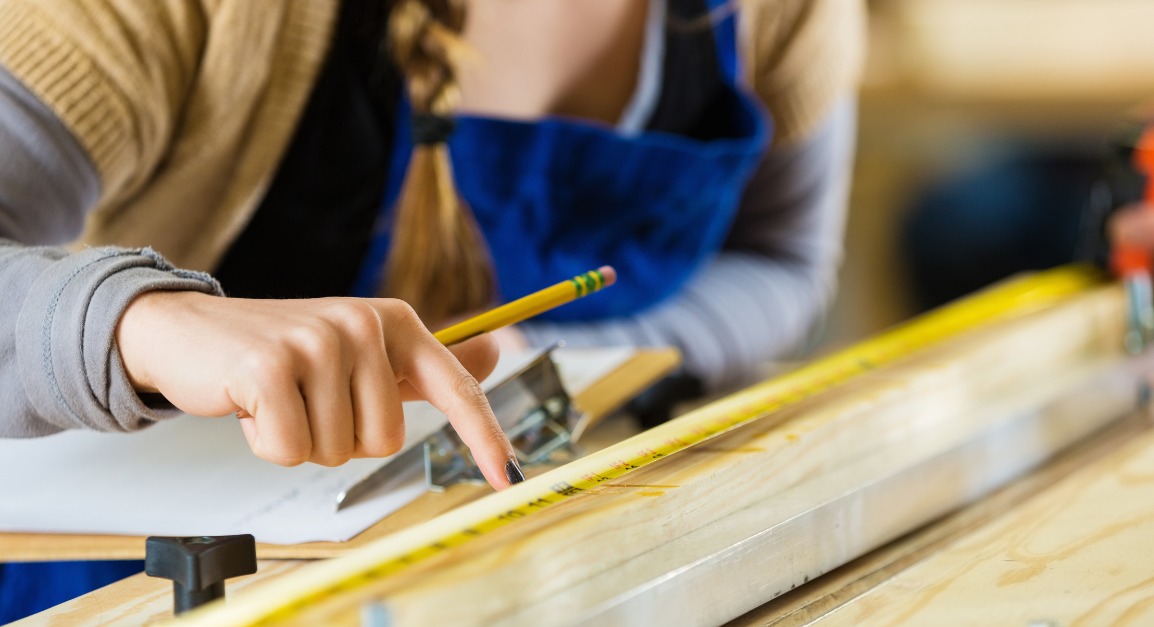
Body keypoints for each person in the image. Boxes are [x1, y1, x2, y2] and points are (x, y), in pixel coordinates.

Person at [0, 0, 864, 618]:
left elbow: (779, 263)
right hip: (124, 588)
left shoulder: (775, 14)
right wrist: (135, 321)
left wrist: (559, 358)